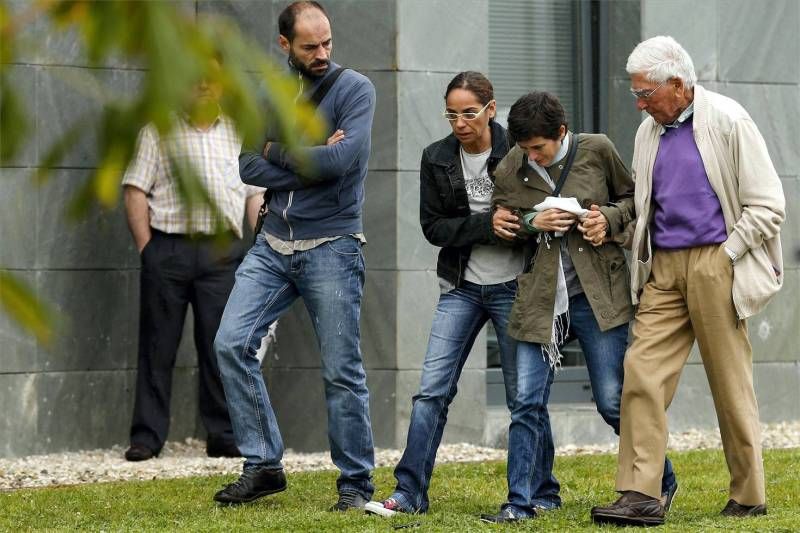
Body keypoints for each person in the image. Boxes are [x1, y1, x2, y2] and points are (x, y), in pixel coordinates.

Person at [591, 36, 785, 526]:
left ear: (678, 84)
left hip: (716, 262)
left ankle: (748, 494)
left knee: (729, 384)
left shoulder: (728, 120)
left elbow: (769, 206)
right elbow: (645, 207)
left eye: (645, 93)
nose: (639, 103)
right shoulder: (646, 132)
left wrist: (728, 256)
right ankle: (640, 494)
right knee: (641, 374)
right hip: (662, 268)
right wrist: (617, 229)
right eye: (636, 93)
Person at [365, 72, 560, 517]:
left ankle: (541, 492)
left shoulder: (521, 149)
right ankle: (410, 492)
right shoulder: (436, 158)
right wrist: (485, 225)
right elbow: (433, 227)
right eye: (451, 114)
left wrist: (522, 224)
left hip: (518, 287)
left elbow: (546, 209)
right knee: (431, 391)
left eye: (469, 113)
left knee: (524, 397)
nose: (460, 123)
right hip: (462, 287)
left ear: (491, 110)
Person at [479, 91, 676, 524]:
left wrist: (604, 217)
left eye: (539, 149)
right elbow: (503, 218)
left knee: (612, 401)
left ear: (561, 134)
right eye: (525, 148)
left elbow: (634, 201)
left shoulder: (598, 149)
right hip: (540, 301)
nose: (531, 156)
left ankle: (660, 479)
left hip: (597, 296)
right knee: (526, 403)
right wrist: (533, 221)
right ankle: (519, 502)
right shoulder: (513, 164)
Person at [212, 1, 377, 512]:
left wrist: (278, 151)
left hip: (332, 243)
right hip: (273, 244)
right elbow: (245, 166)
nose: (323, 53)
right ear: (285, 45)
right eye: (310, 46)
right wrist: (309, 158)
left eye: (327, 42)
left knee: (340, 370)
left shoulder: (355, 89)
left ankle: (355, 484)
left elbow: (341, 161)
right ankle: (263, 466)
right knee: (230, 343)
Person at [122, 56, 263, 462]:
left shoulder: (240, 134)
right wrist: (148, 249)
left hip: (224, 255)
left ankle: (223, 435)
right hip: (168, 249)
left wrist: (260, 249)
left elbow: (254, 194)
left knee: (223, 346)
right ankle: (147, 437)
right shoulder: (157, 132)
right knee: (157, 345)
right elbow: (134, 190)